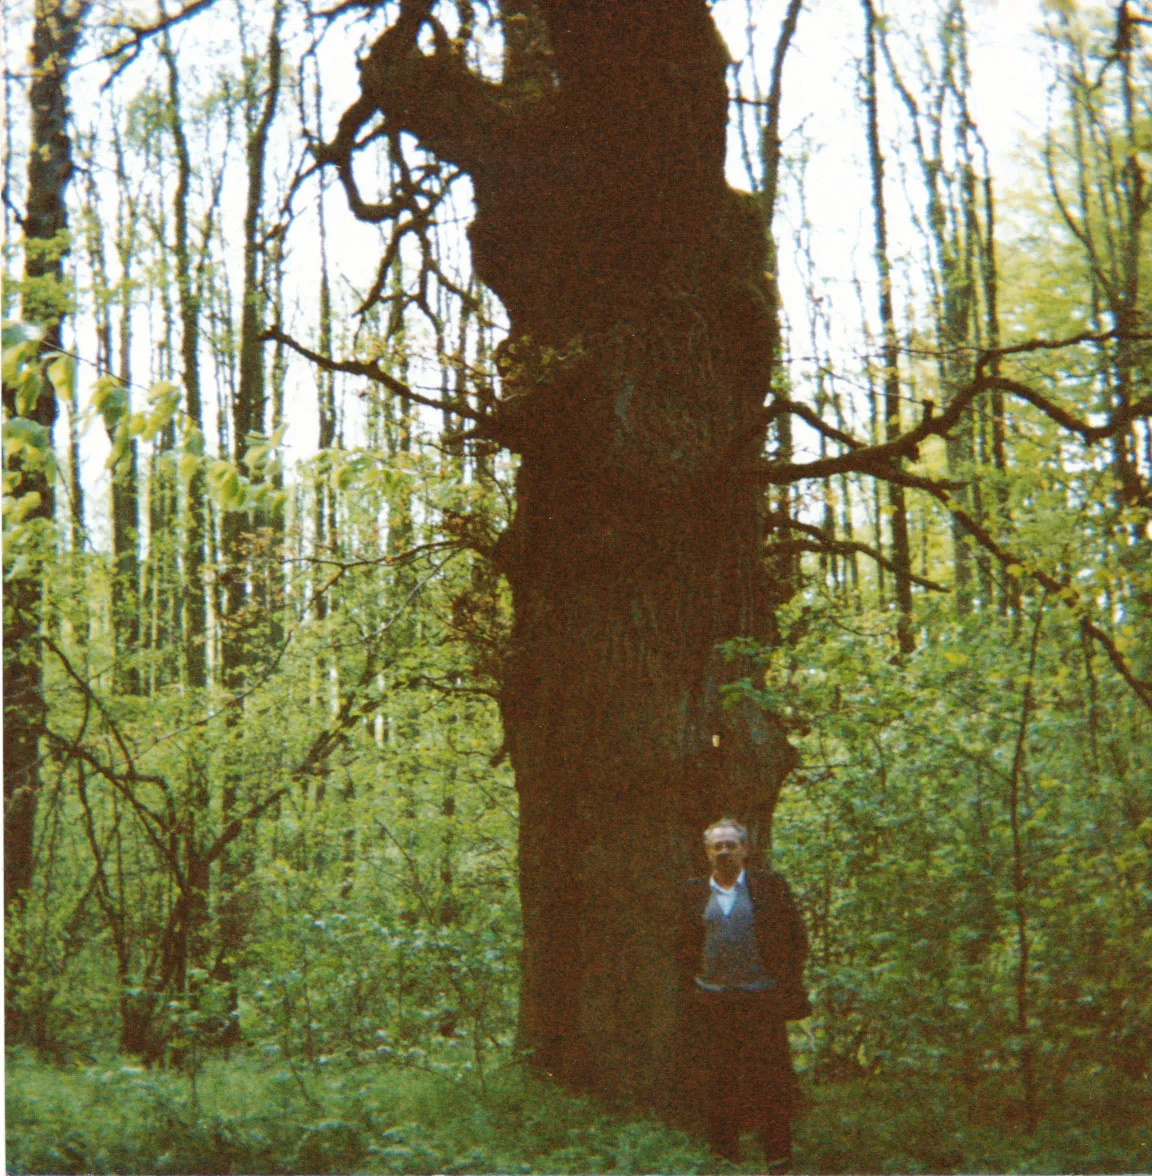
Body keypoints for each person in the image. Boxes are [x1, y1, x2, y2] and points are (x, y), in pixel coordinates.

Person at [676, 817, 811, 1168]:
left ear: (745, 850)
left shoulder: (769, 887)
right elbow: (681, 946)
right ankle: (724, 1160)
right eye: (716, 846)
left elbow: (796, 938)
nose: (724, 852)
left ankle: (779, 1160)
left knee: (771, 1082)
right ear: (706, 852)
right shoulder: (692, 892)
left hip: (761, 999)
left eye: (730, 845)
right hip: (713, 1001)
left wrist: (785, 983)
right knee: (719, 1083)